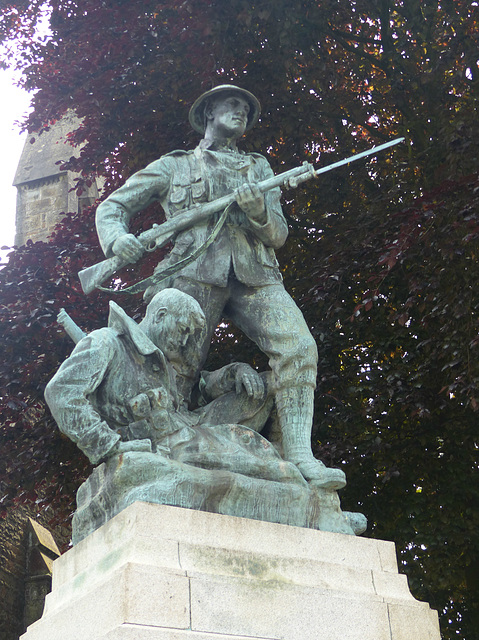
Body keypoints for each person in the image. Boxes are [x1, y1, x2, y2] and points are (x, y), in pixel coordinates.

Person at [94, 85, 345, 489]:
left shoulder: (259, 168)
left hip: (255, 273)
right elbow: (113, 207)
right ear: (209, 111)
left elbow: (278, 234)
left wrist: (257, 210)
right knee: (174, 372)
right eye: (232, 104)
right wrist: (116, 239)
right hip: (191, 275)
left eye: (246, 108)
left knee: (299, 347)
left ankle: (301, 456)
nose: (240, 111)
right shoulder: (174, 166)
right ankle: (162, 449)